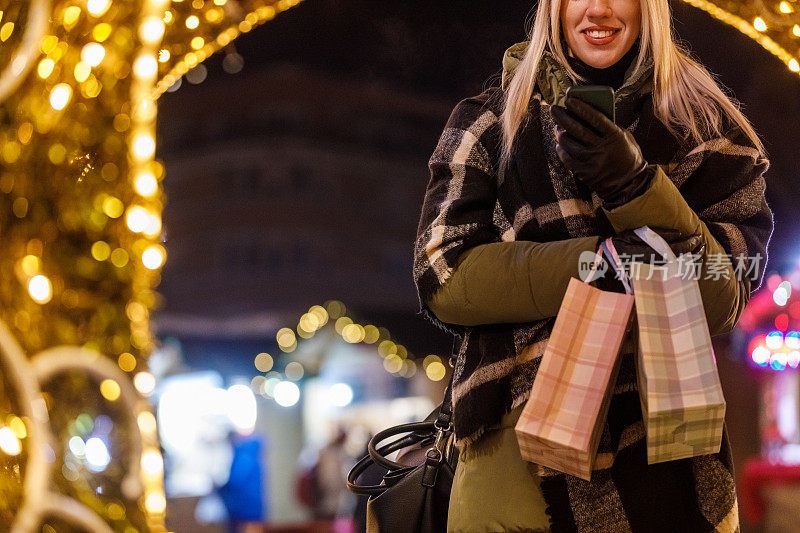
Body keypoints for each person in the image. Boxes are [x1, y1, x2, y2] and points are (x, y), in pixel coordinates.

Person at [411, 0, 774, 530]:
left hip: (666, 460)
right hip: (517, 461)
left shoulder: (714, 135)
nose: (598, 10)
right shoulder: (488, 122)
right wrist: (596, 263)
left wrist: (637, 188)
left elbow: (723, 298)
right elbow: (441, 275)